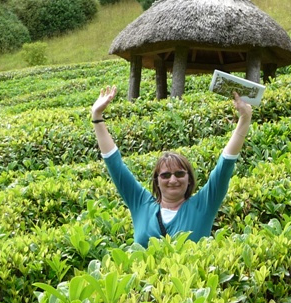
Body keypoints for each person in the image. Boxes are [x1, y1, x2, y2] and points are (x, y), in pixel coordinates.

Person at [91, 85, 253, 246]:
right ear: (157, 181)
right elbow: (115, 164)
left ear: (189, 179)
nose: (173, 180)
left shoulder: (204, 204)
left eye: (180, 174)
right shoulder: (140, 203)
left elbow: (225, 165)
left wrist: (244, 120)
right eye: (166, 175)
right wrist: (97, 116)